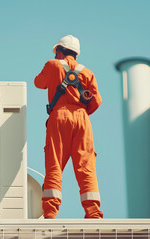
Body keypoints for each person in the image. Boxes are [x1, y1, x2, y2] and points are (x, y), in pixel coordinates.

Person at [34, 35, 103, 219]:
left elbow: (38, 83)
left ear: (59, 51)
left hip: (59, 116)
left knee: (54, 164)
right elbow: (96, 101)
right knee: (86, 166)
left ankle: (50, 213)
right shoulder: (87, 73)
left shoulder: (52, 64)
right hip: (82, 118)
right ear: (76, 54)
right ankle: (93, 213)